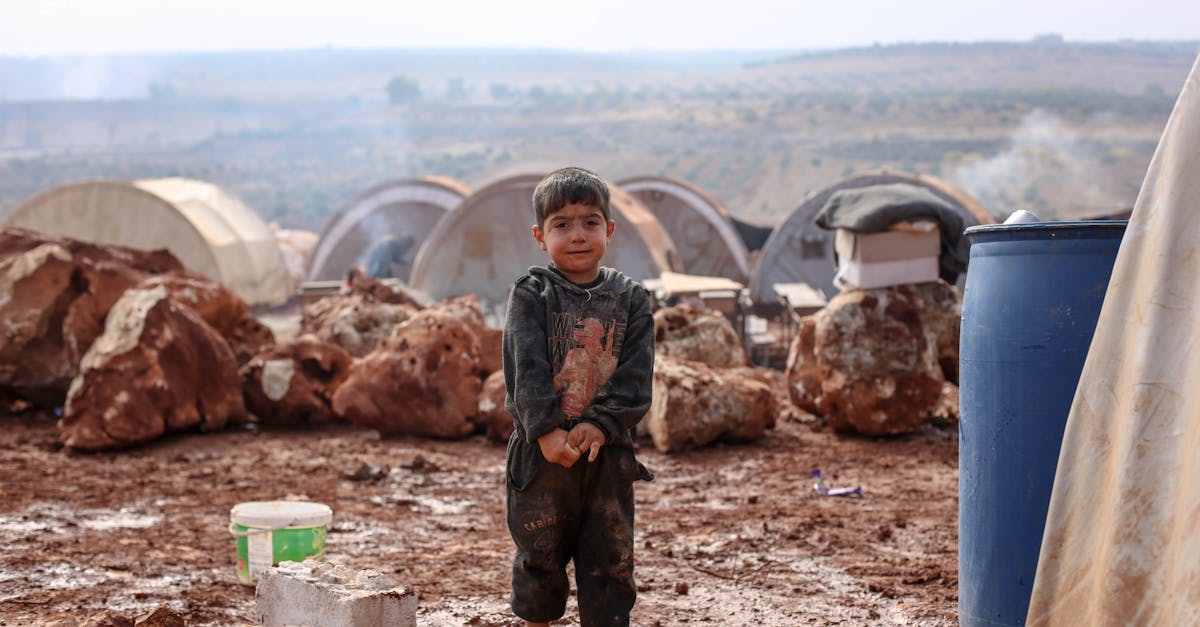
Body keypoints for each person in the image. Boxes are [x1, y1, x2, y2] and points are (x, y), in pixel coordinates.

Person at [502, 167, 655, 626]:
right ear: (539, 236)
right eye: (561, 224)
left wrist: (600, 424)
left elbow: (635, 377)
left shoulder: (631, 299)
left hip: (606, 457)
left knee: (611, 562)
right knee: (540, 556)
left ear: (610, 229)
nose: (577, 235)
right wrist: (547, 431)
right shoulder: (532, 295)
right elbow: (524, 370)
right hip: (541, 458)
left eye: (591, 222)